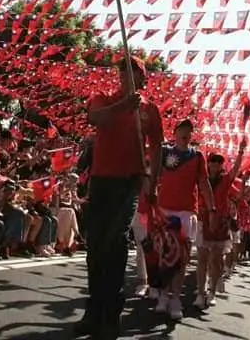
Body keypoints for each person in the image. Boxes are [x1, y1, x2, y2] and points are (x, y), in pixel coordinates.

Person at [73, 56, 163, 340]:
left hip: (129, 185)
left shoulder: (150, 110)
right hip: (101, 183)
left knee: (116, 243)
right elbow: (95, 118)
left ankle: (111, 315)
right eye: (122, 73)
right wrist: (124, 106)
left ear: (142, 78)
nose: (125, 77)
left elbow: (157, 146)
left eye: (131, 73)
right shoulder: (102, 98)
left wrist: (154, 180)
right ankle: (94, 311)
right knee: (96, 249)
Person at [153, 118, 213, 319]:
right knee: (163, 254)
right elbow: (152, 174)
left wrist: (211, 209)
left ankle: (176, 298)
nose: (186, 134)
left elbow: (204, 184)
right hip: (164, 209)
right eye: (182, 130)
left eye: (189, 131)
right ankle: (162, 295)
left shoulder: (197, 157)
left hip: (186, 211)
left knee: (181, 257)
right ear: (175, 132)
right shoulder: (164, 153)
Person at [195, 139, 245, 309]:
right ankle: (200, 293)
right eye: (213, 161)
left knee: (216, 260)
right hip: (203, 219)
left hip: (220, 223)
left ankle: (212, 292)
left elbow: (236, 169)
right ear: (207, 163)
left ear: (222, 165)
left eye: (219, 161)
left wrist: (240, 152)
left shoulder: (226, 180)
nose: (216, 164)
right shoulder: (201, 179)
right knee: (201, 259)